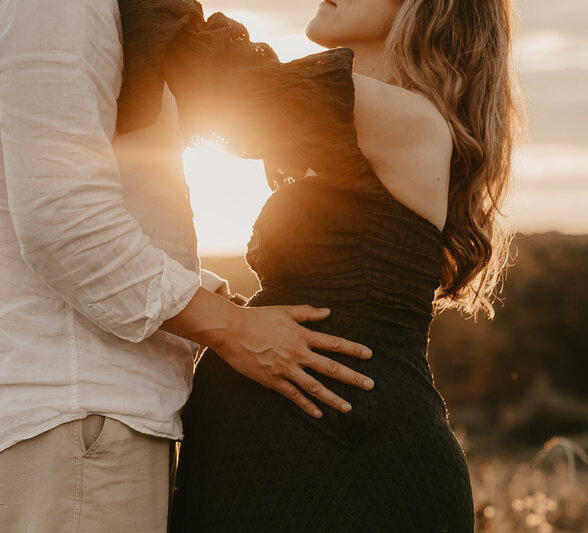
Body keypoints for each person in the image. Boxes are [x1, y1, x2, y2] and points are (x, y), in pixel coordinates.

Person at [0, 0, 378, 531]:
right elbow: (62, 218)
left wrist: (208, 298)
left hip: (90, 415)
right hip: (81, 411)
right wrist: (235, 331)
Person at [110, 0, 520, 531]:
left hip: (356, 466)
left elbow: (216, 75)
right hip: (299, 464)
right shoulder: (353, 128)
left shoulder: (408, 118)